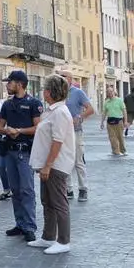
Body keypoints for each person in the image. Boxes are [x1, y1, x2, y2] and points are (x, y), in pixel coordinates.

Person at [27, 74, 76, 255]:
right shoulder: (51, 111)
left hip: (56, 164)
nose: (43, 92)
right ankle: (48, 236)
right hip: (48, 164)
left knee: (58, 202)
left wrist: (48, 165)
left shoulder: (60, 112)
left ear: (49, 92)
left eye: (44, 89)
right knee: (47, 201)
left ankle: (63, 240)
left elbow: (58, 141)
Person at [0, 70, 43, 242]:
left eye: (10, 82)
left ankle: (30, 227)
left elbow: (38, 128)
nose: (8, 85)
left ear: (20, 84)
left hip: (25, 151)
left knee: (27, 190)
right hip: (10, 150)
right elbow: (0, 127)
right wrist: (7, 130)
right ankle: (20, 224)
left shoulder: (34, 103)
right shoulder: (7, 104)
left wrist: (20, 131)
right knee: (15, 189)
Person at [58, 71, 94, 201]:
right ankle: (69, 189)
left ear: (70, 79)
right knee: (64, 161)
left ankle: (83, 189)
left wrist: (79, 116)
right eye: (59, 76)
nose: (61, 78)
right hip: (61, 132)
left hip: (76, 131)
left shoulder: (78, 92)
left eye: (63, 76)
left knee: (78, 161)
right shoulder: (58, 93)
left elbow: (90, 109)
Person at [0, 94, 12, 201]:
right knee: (1, 166)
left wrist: (3, 120)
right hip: (1, 138)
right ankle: (6, 189)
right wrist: (6, 122)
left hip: (14, 138)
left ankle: (15, 189)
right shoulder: (2, 102)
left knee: (13, 166)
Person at [101, 86, 128, 156]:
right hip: (109, 122)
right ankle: (115, 151)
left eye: (111, 91)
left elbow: (124, 111)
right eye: (108, 92)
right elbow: (104, 113)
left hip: (118, 121)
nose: (109, 93)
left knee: (120, 137)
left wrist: (125, 121)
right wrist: (102, 122)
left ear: (114, 92)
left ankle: (123, 150)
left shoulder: (119, 100)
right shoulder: (106, 102)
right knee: (112, 137)